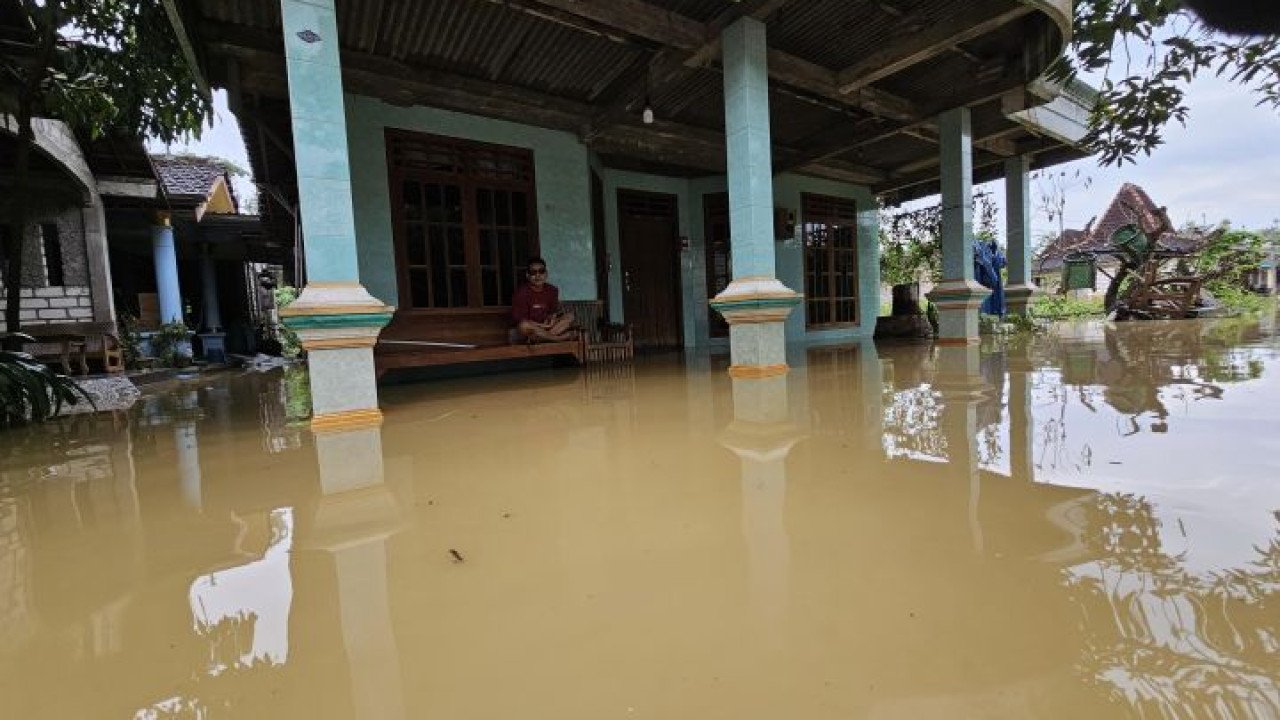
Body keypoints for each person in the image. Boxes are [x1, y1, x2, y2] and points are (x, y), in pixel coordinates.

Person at [511, 257, 576, 342]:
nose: (538, 275)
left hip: (547, 327)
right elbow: (522, 320)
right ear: (528, 275)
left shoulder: (552, 290)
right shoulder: (521, 293)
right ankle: (557, 338)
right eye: (533, 272)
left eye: (541, 271)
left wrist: (551, 320)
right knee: (523, 325)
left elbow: (552, 312)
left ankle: (542, 338)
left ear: (546, 274)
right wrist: (543, 326)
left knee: (569, 316)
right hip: (532, 328)